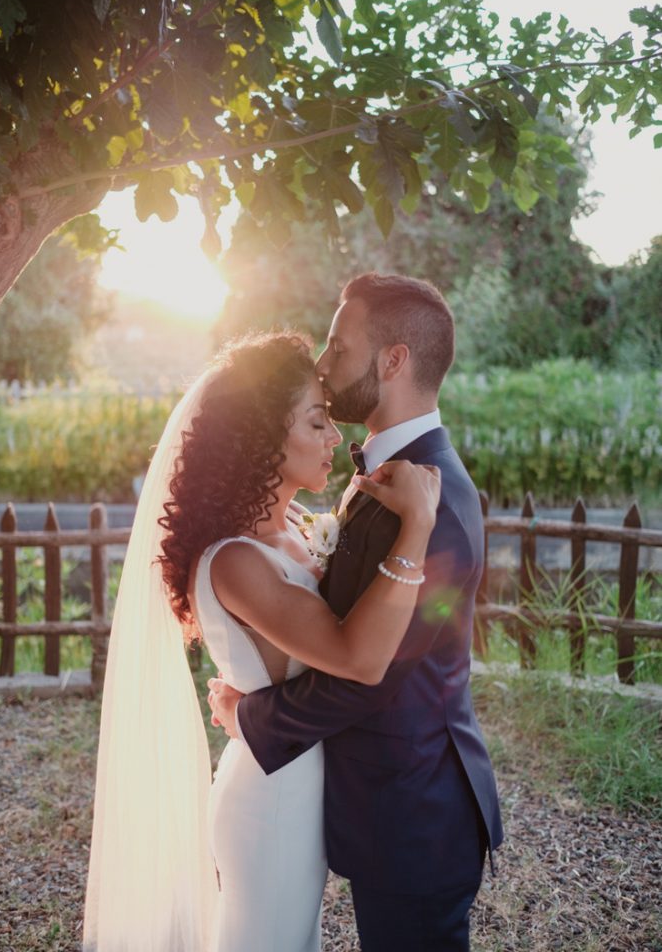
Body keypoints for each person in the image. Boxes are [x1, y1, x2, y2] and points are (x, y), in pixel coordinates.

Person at [83, 330, 441, 952]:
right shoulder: (235, 562)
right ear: (262, 438)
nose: (335, 438)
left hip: (299, 777)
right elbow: (356, 657)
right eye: (315, 422)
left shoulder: (298, 527)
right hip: (273, 799)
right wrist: (418, 528)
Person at [209, 275, 504, 952]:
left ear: (392, 361)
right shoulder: (386, 475)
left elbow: (373, 670)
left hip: (416, 817)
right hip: (384, 803)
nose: (323, 363)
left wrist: (251, 717)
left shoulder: (435, 502)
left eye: (339, 347)